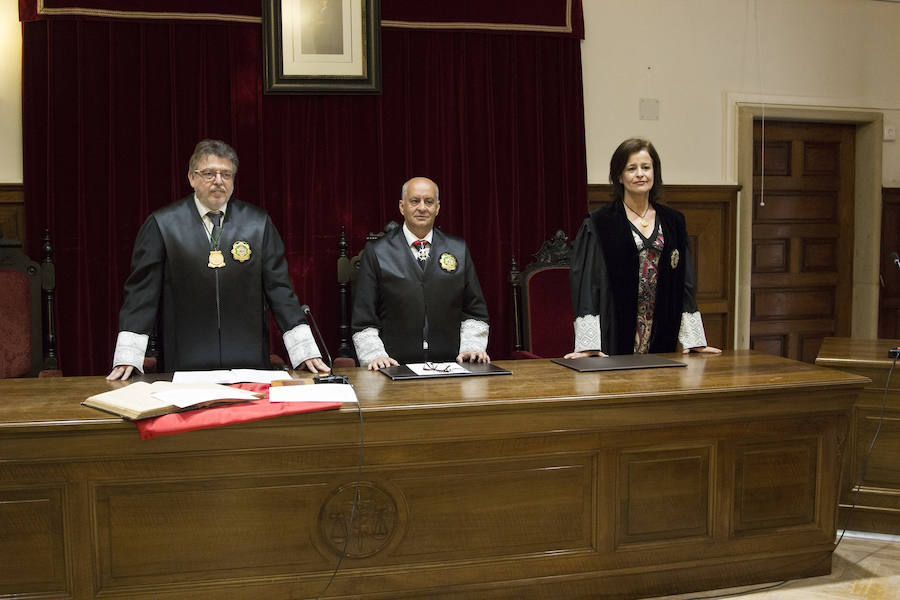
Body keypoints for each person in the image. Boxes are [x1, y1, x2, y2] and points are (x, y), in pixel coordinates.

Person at [107, 139, 328, 379]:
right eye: (209, 174)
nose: (218, 181)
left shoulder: (258, 224)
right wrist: (128, 356)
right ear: (191, 178)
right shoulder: (163, 224)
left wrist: (304, 351)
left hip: (249, 361)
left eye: (226, 174)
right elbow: (142, 294)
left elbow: (280, 289)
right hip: (185, 363)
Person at [565, 138, 721, 358]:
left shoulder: (673, 222)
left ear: (654, 172)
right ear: (619, 176)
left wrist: (694, 340)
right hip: (615, 331)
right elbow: (588, 285)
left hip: (661, 329)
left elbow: (684, 284)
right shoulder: (600, 223)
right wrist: (588, 344)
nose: (640, 174)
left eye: (646, 167)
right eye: (632, 168)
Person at [351, 177, 490, 370]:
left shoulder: (458, 249)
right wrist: (375, 356)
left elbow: (474, 311)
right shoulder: (377, 252)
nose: (422, 207)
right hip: (393, 366)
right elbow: (364, 319)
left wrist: (472, 348)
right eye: (415, 201)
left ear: (438, 207)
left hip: (451, 366)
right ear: (402, 206)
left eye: (429, 201)